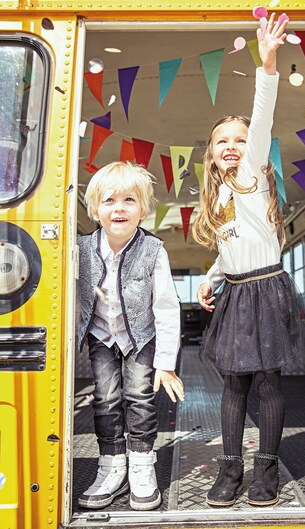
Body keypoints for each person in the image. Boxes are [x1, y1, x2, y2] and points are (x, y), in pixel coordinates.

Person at [192, 13, 305, 508]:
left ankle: (266, 473)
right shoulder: (217, 202)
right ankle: (230, 470)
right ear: (212, 155)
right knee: (234, 382)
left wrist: (268, 61)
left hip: (267, 285)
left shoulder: (254, 178)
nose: (234, 146)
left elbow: (262, 115)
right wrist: (212, 276)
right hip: (236, 289)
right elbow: (229, 246)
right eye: (224, 142)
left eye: (240, 140)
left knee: (268, 381)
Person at [76, 161, 184, 511]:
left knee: (139, 397)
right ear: (95, 209)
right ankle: (111, 466)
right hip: (102, 334)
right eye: (109, 201)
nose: (118, 208)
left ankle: (141, 465)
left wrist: (166, 364)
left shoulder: (154, 251)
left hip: (141, 337)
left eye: (128, 200)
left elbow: (166, 306)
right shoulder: (80, 248)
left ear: (143, 209)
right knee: (105, 400)